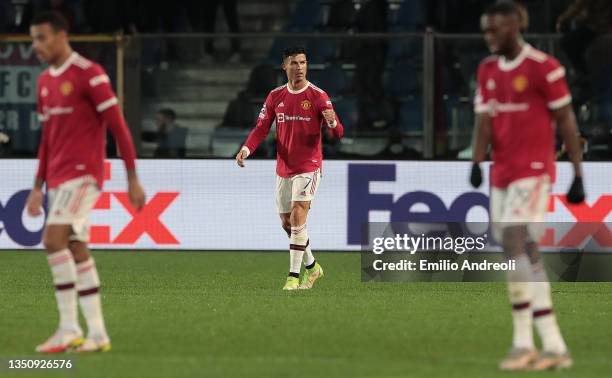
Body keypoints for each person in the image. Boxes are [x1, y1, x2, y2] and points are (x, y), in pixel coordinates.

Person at [470, 2, 585, 371]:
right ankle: (553, 345)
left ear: (516, 26)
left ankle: (522, 344)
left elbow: (566, 119)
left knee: (514, 244)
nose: (489, 37)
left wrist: (577, 172)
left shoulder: (543, 67)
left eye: (496, 30)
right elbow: (483, 120)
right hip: (502, 173)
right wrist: (475, 161)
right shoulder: (487, 69)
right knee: (525, 251)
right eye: (485, 30)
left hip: (535, 171)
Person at [25, 11, 145, 353]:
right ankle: (97, 334)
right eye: (33, 39)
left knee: (52, 240)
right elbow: (47, 139)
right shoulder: (45, 81)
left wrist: (132, 177)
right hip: (59, 178)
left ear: (63, 36)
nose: (37, 45)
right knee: (76, 248)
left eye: (42, 38)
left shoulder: (90, 74)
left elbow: (118, 126)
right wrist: (37, 186)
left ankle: (67, 328)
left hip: (84, 174)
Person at [235, 46, 344, 290]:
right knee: (287, 223)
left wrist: (333, 122)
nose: (300, 68)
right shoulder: (275, 96)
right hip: (284, 167)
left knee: (297, 216)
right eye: (294, 63)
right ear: (285, 66)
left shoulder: (318, 96)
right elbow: (262, 128)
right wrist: (246, 149)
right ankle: (313, 266)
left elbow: (338, 133)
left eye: (303, 62)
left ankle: (293, 277)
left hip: (309, 165)